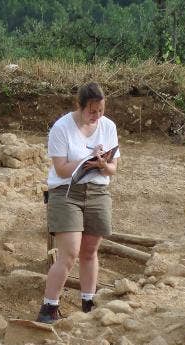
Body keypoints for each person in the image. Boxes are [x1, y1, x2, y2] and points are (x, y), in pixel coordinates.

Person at [36, 82, 120, 324]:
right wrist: (87, 158)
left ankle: (88, 303)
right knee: (69, 252)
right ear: (80, 107)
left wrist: (103, 165)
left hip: (97, 191)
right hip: (67, 191)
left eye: (101, 111)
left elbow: (114, 168)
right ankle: (48, 308)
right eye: (92, 111)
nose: (97, 116)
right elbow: (61, 170)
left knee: (90, 251)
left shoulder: (108, 126)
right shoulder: (61, 128)